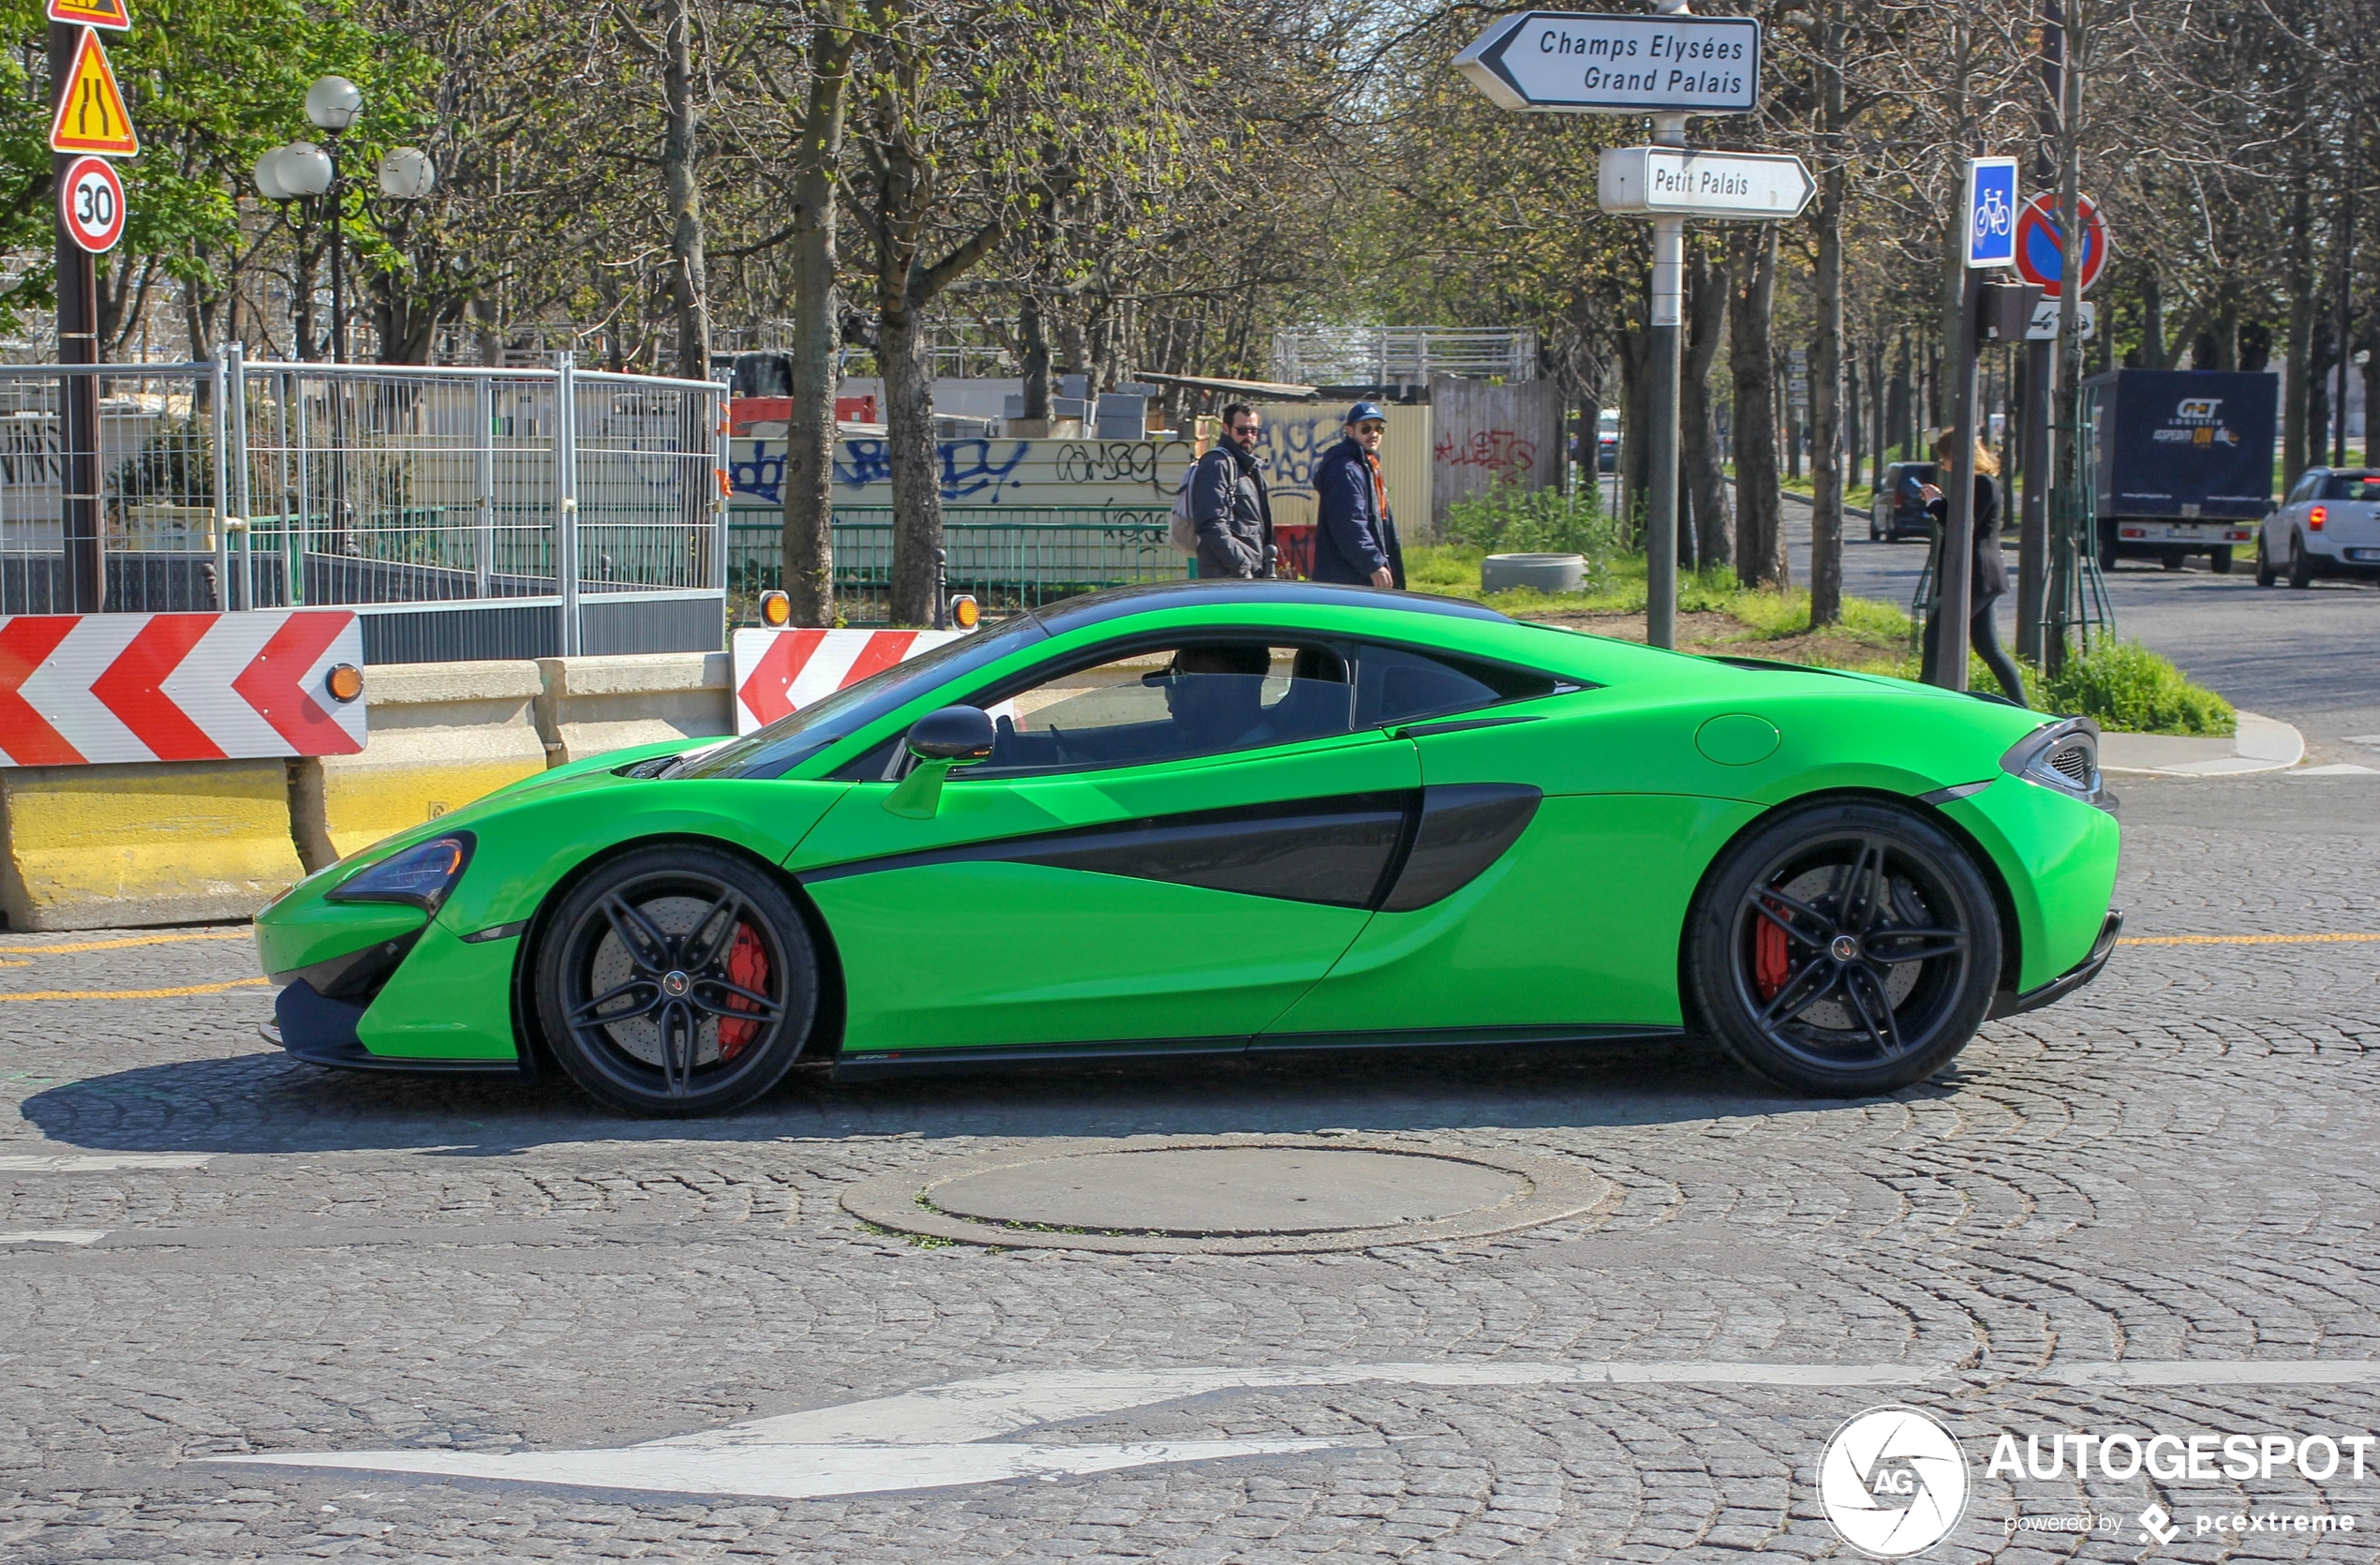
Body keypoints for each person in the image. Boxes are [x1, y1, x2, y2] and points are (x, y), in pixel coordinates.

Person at [1918, 433, 2026, 704]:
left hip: (1976, 575)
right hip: (1981, 576)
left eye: (1944, 459)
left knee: (1935, 637)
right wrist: (1941, 503)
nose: (1943, 466)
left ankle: (1924, 699)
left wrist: (1936, 505)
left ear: (1957, 456)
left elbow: (1963, 527)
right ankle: (2022, 705)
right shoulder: (1979, 483)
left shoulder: (1982, 484)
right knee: (1987, 646)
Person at [1312, 401, 1406, 589]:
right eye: (1366, 428)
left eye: (1379, 429)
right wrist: (1373, 564)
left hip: (1356, 575)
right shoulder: (1346, 469)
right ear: (1350, 431)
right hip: (1347, 578)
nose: (1374, 434)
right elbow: (1349, 524)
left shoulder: (1367, 466)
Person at [1189, 403, 1273, 580]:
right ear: (1226, 429)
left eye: (1253, 431)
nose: (1248, 436)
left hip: (1249, 573)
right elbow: (1211, 523)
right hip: (1226, 576)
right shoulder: (1217, 464)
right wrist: (1241, 566)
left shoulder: (1250, 466)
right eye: (1242, 431)